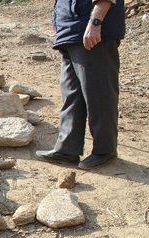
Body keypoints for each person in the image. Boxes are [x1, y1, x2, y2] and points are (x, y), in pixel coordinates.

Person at [36, 0, 125, 170]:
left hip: (91, 31)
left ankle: (105, 150)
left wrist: (95, 22)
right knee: (71, 94)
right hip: (70, 33)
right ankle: (67, 149)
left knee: (100, 93)